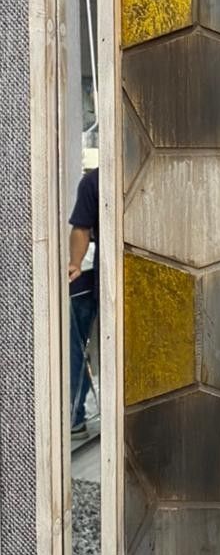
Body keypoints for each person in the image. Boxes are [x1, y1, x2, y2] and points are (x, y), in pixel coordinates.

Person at [67, 167, 99, 435]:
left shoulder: (94, 180)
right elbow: (82, 228)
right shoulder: (95, 181)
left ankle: (76, 416)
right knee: (78, 343)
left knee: (78, 343)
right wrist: (75, 264)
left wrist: (76, 264)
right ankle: (75, 415)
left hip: (105, 275)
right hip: (106, 275)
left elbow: (82, 227)